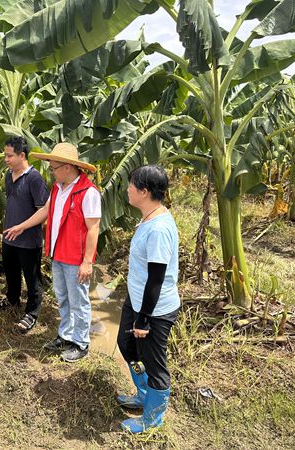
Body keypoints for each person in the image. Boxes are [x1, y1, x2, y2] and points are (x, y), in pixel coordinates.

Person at [5, 143, 100, 362]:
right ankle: (65, 336)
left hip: (76, 258)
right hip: (58, 253)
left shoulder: (88, 192)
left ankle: (81, 343)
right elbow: (46, 211)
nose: (51, 172)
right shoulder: (58, 188)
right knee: (63, 298)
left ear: (68, 167)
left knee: (79, 301)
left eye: (53, 168)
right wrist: (22, 226)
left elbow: (93, 228)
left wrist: (87, 261)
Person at [116, 165, 180, 433]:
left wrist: (144, 319)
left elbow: (156, 278)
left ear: (144, 191)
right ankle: (144, 395)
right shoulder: (148, 218)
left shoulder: (158, 229)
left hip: (154, 308)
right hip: (137, 300)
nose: (127, 190)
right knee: (126, 344)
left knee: (154, 362)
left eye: (131, 185)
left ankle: (152, 419)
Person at [1, 136, 49, 333]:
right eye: (5, 155)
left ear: (22, 155)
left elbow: (44, 211)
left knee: (32, 279)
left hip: (29, 240)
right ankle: (12, 301)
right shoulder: (8, 176)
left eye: (10, 156)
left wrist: (22, 226)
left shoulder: (35, 179)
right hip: (9, 238)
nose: (6, 159)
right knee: (11, 274)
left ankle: (32, 313)